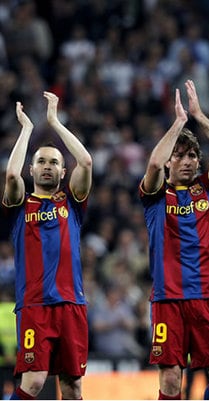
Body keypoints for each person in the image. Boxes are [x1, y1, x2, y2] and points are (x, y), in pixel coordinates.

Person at [139, 80, 209, 400]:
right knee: (170, 380)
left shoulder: (208, 190)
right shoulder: (155, 196)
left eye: (193, 155)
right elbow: (153, 164)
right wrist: (179, 123)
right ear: (171, 161)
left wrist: (199, 115)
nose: (187, 161)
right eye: (180, 155)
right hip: (169, 300)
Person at [2, 92, 93, 399]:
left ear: (62, 172)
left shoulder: (71, 202)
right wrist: (27, 130)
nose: (47, 167)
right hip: (35, 306)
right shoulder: (20, 206)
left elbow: (86, 161)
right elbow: (12, 174)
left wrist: (54, 122)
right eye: (40, 162)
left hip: (71, 305)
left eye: (54, 162)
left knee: (73, 386)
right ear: (33, 170)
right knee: (34, 382)